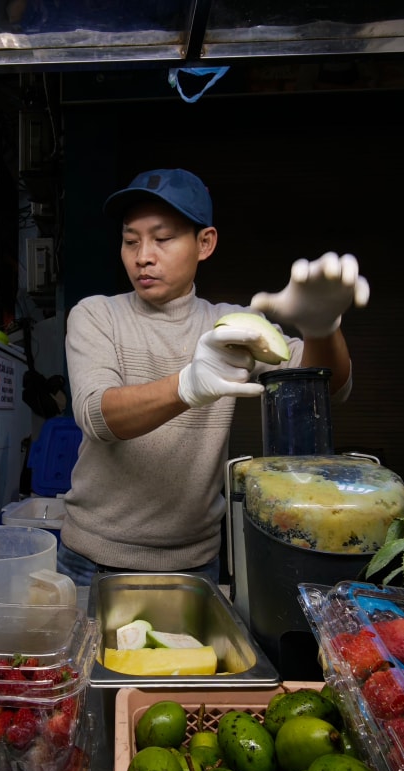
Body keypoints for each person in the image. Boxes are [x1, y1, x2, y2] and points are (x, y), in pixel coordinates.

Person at [56, 168, 370, 587]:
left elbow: (328, 388)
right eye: (131, 241)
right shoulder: (97, 315)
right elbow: (97, 416)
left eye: (162, 239)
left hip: (194, 564)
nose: (143, 256)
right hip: (90, 561)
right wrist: (186, 386)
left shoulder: (232, 325)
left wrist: (322, 326)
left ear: (204, 243)